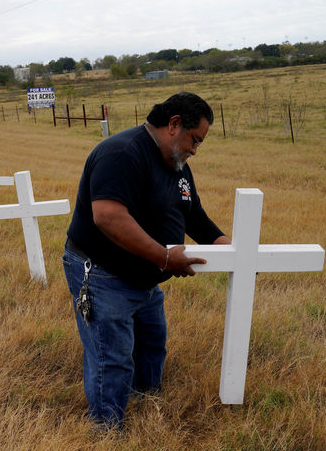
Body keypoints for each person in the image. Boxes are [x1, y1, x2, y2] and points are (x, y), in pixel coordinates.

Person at [62, 91, 231, 428]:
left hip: (146, 278)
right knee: (113, 358)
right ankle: (106, 430)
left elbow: (194, 215)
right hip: (103, 274)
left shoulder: (178, 166)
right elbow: (107, 216)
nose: (195, 149)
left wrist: (234, 251)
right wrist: (165, 258)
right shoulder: (123, 154)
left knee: (151, 346)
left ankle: (144, 407)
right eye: (194, 140)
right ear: (173, 125)